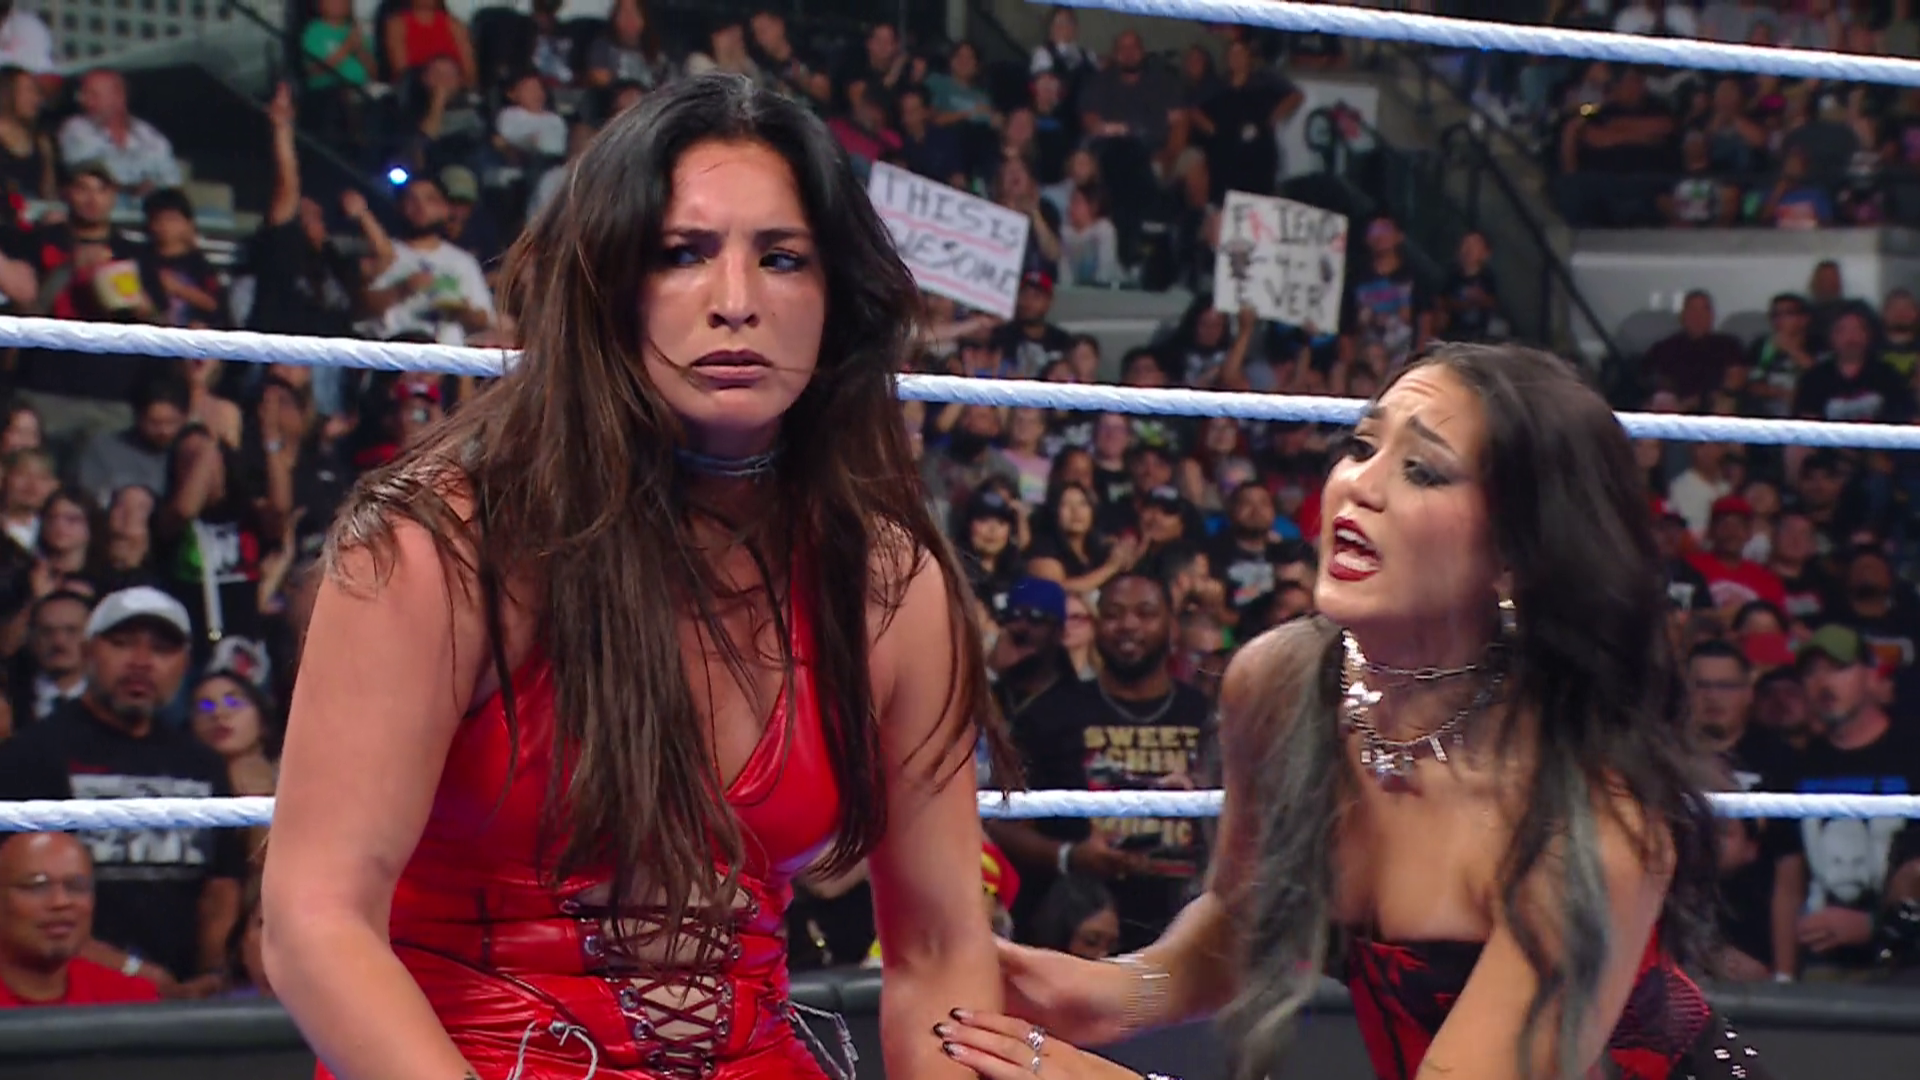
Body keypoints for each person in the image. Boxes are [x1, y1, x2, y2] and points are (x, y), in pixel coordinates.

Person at [261, 74, 1015, 1080]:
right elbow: (314, 920)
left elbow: (941, 948)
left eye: (782, 258)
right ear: (607, 281)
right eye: (681, 253)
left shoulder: (887, 579)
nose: (737, 302)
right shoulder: (438, 542)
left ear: (837, 296)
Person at [932, 344, 1773, 1080]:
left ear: (1518, 554)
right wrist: (1104, 993)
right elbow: (1243, 916)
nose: (1356, 486)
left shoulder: (1595, 814)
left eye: (1422, 469)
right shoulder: (1279, 685)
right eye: (1363, 445)